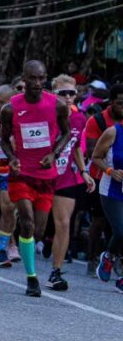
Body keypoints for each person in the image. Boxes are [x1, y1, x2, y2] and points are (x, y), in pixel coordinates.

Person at [0, 60, 72, 297]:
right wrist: (11, 157)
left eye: (42, 78)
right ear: (24, 78)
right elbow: (3, 140)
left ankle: (23, 240)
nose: (38, 83)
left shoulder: (58, 105)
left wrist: (54, 153)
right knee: (28, 221)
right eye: (33, 78)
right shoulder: (10, 108)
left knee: (38, 231)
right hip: (21, 174)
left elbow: (67, 132)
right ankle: (32, 278)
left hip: (46, 177)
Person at [46, 75, 96, 290]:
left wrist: (83, 170)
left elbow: (75, 145)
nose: (67, 97)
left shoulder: (80, 118)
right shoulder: (43, 112)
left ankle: (56, 271)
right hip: (39, 174)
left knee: (64, 223)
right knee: (34, 226)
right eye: (62, 93)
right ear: (52, 93)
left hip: (65, 176)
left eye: (71, 93)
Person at [90, 84, 123, 292]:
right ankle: (108, 256)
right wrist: (111, 171)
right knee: (121, 231)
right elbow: (95, 157)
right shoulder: (113, 132)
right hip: (111, 189)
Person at [0, 85, 19, 267]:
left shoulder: (18, 120)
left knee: (8, 208)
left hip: (8, 172)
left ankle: (2, 249)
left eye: (2, 102)